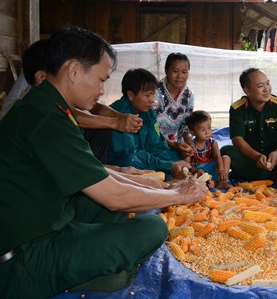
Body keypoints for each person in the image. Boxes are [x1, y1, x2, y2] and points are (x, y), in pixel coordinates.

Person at [0, 26, 208, 299]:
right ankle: (78, 273)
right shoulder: (47, 119)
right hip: (24, 255)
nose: (101, 91)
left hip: (45, 218)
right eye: (100, 80)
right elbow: (112, 195)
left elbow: (98, 173)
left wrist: (162, 187)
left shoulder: (48, 107)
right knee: (152, 227)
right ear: (73, 71)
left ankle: (97, 266)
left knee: (117, 211)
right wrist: (176, 196)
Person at [0, 38, 144, 164]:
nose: (101, 90)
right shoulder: (32, 105)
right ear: (43, 77)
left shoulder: (51, 92)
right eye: (99, 80)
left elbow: (95, 107)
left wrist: (120, 117)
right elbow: (68, 114)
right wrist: (114, 123)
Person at [220, 68, 277, 184]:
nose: (267, 89)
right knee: (226, 151)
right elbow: (237, 140)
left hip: (275, 157)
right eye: (260, 86)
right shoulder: (237, 109)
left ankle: (252, 176)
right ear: (247, 90)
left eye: (267, 83)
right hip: (250, 157)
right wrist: (257, 157)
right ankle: (273, 176)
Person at [108, 68, 193, 179]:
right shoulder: (120, 115)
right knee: (130, 161)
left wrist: (177, 162)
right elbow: (134, 154)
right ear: (131, 95)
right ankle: (168, 176)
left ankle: (176, 173)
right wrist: (168, 165)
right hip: (124, 162)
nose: (152, 100)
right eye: (147, 95)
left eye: (153, 94)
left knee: (177, 155)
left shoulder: (148, 113)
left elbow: (157, 145)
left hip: (146, 157)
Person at [155, 52, 195, 158]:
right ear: (166, 70)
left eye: (184, 72)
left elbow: (185, 125)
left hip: (176, 143)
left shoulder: (189, 95)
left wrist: (188, 140)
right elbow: (151, 127)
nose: (180, 76)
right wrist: (171, 144)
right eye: (175, 71)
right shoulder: (155, 93)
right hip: (154, 143)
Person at [185, 110, 232, 189]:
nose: (207, 132)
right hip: (199, 171)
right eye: (203, 130)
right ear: (192, 132)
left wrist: (221, 170)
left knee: (226, 158)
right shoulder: (191, 146)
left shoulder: (213, 143)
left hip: (212, 168)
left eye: (209, 128)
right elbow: (187, 164)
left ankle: (222, 182)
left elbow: (217, 157)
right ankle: (211, 183)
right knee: (187, 174)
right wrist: (194, 171)